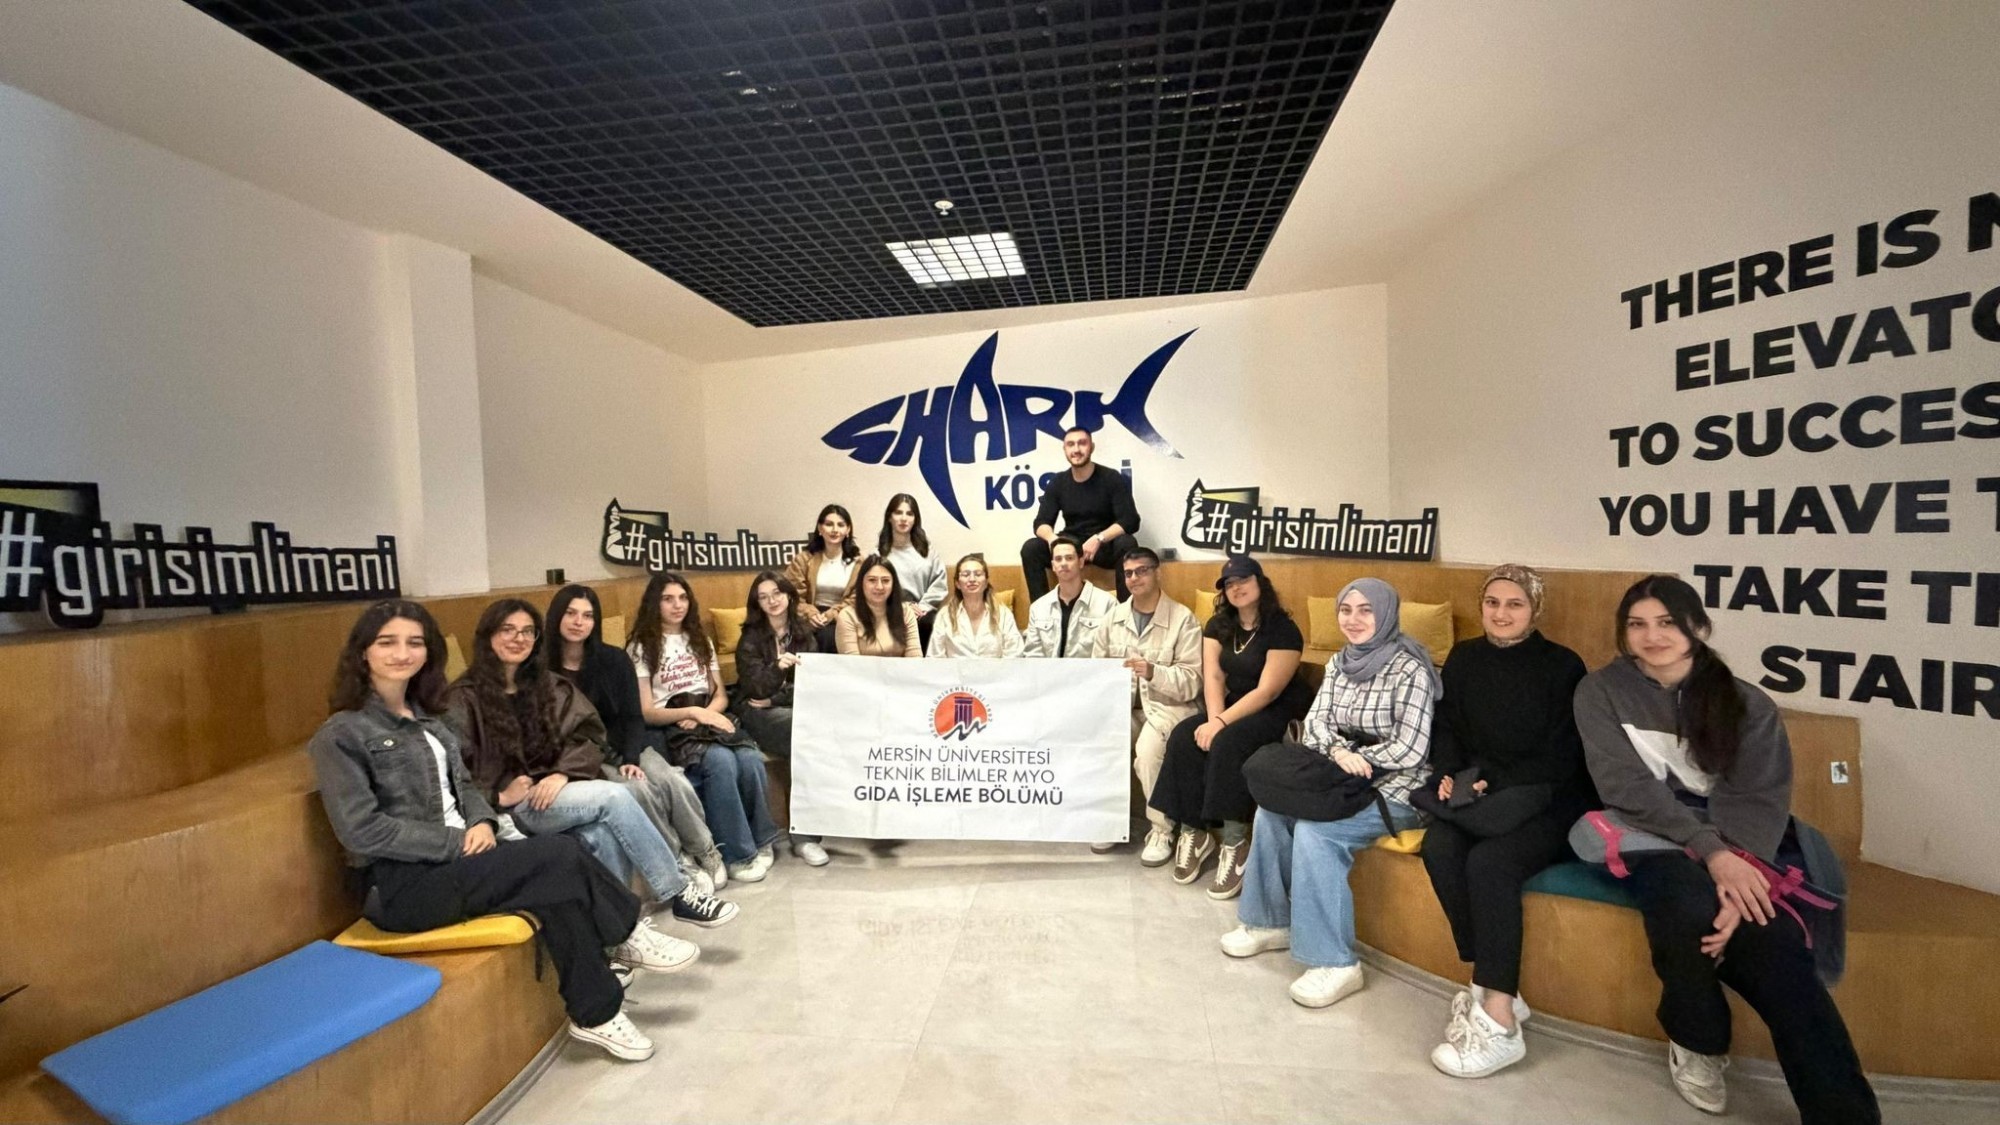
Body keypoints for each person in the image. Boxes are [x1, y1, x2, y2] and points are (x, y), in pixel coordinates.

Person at [308, 599, 687, 1062]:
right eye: (387, 642)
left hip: (464, 862)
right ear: (362, 651)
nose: (402, 653)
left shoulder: (428, 717)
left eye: (414, 642)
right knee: (558, 854)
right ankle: (625, 933)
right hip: (404, 886)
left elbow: (465, 786)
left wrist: (482, 821)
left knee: (557, 888)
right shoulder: (342, 734)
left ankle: (597, 1015)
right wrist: (458, 841)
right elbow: (362, 831)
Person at [1575, 576, 1878, 1122]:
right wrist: (1714, 858)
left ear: (1699, 627)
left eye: (1668, 623)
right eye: (1638, 624)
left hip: (1742, 842)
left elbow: (1757, 799)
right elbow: (1626, 787)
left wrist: (1739, 876)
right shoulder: (1600, 691)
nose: (1652, 636)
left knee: (1780, 949)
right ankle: (1700, 1039)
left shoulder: (1746, 703)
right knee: (1685, 903)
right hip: (1651, 831)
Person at [446, 599, 735, 929]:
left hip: (554, 791)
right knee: (615, 796)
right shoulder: (462, 699)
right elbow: (452, 772)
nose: (518, 638)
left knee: (600, 834)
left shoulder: (547, 685)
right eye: (507, 630)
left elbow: (589, 734)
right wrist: (497, 797)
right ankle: (679, 891)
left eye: (527, 631)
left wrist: (563, 772)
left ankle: (624, 930)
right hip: (512, 804)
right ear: (487, 635)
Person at [1222, 578, 1439, 1009]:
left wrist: (1361, 759)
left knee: (1317, 833)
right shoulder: (1340, 662)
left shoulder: (1410, 670)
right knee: (1270, 812)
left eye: (1366, 610)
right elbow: (1317, 723)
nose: (1353, 620)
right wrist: (1340, 753)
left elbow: (1411, 748)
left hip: (1396, 788)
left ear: (1386, 614)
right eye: (1346, 610)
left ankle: (1337, 962)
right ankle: (1269, 922)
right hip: (1339, 775)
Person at [1417, 565, 1590, 1078]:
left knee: (1490, 863)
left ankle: (1499, 1020)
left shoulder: (1563, 666)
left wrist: (1493, 782)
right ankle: (1492, 982)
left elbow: (1563, 756)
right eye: (1492, 602)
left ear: (1535, 609)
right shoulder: (1465, 658)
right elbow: (1448, 729)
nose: (1501, 613)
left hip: (1549, 798)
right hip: (1482, 795)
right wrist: (1449, 775)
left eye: (1515, 603)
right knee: (1439, 847)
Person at [545, 584, 727, 894]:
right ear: (556, 617)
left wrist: (631, 758)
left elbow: (632, 716)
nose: (579, 622)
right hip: (584, 757)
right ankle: (677, 859)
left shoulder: (613, 659)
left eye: (587, 616)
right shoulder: (541, 668)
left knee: (671, 780)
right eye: (571, 613)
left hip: (626, 743)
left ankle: (705, 849)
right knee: (638, 790)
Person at [1149, 555, 1312, 896]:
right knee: (1184, 736)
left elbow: (1268, 691)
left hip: (1277, 709)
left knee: (1227, 741)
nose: (1236, 588)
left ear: (1260, 583)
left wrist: (1221, 724)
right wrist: (1213, 720)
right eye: (1229, 584)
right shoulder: (1218, 625)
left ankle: (1235, 843)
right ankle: (1194, 832)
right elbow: (1213, 677)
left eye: (1243, 580)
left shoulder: (1283, 629)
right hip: (1234, 703)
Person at [629, 572, 781, 884]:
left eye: (683, 598)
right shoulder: (640, 646)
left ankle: (763, 840)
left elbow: (721, 696)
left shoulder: (700, 639)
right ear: (654, 604)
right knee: (721, 762)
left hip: (707, 715)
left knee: (750, 758)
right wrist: (693, 713)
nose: (677, 605)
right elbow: (646, 711)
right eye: (668, 599)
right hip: (674, 721)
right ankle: (736, 855)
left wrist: (706, 714)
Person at [1095, 547, 1202, 865]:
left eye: (1142, 570)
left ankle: (1161, 830)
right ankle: (1111, 821)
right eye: (1128, 573)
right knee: (1105, 742)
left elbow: (1192, 681)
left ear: (1158, 572)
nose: (1134, 578)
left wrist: (1154, 672)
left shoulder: (1183, 619)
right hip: (1125, 708)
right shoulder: (1112, 619)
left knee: (1147, 751)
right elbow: (1096, 671)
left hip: (1169, 709)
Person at [735, 571, 830, 868]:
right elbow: (755, 690)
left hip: (789, 707)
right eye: (763, 597)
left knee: (807, 732)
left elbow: (811, 684)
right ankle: (805, 838)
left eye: (776, 593)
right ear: (757, 604)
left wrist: (775, 699)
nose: (772, 601)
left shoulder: (804, 634)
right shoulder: (750, 638)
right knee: (803, 731)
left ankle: (806, 834)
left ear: (788, 595)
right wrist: (778, 668)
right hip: (756, 714)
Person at [1020, 426, 1141, 601]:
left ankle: (1125, 611)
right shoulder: (1058, 482)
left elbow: (1130, 520)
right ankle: (1041, 612)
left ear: (1091, 447)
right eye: (1071, 444)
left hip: (1104, 545)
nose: (1076, 449)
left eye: (1082, 443)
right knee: (1031, 548)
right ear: (1065, 449)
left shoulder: (1111, 478)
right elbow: (1040, 523)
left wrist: (1099, 538)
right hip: (1072, 543)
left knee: (1127, 543)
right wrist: (1054, 541)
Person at [1022, 535, 1117, 660]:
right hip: (1048, 672)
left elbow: (1113, 652)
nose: (1063, 563)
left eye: (1069, 558)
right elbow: (1033, 656)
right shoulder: (1038, 608)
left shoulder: (1107, 604)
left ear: (1081, 562)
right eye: (1058, 559)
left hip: (1092, 672)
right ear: (1053, 565)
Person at [784, 503, 861, 652]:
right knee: (800, 637)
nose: (835, 530)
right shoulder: (803, 559)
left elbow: (858, 598)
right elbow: (792, 594)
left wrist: (831, 614)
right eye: (829, 524)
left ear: (848, 530)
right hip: (807, 616)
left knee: (828, 636)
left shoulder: (859, 562)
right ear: (820, 528)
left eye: (840, 525)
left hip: (843, 616)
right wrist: (810, 614)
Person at [878, 493, 947, 651]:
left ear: (915, 519)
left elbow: (939, 586)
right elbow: (872, 589)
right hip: (888, 611)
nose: (904, 518)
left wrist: (921, 607)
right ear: (889, 517)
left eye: (909, 514)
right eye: (898, 513)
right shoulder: (878, 554)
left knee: (931, 623)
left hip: (921, 612)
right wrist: (901, 607)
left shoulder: (928, 553)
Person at [926, 552, 1025, 659]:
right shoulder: (945, 615)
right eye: (966, 575)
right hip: (956, 670)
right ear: (957, 583)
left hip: (996, 670)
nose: (972, 579)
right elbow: (935, 658)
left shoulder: (1003, 613)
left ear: (986, 582)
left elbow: (1015, 654)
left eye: (978, 574)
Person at [834, 555, 923, 658]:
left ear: (893, 584)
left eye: (885, 581)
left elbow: (915, 659)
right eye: (872, 580)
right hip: (860, 669)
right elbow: (851, 664)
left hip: (901, 669)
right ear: (861, 583)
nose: (879, 587)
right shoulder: (847, 616)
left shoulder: (906, 612)